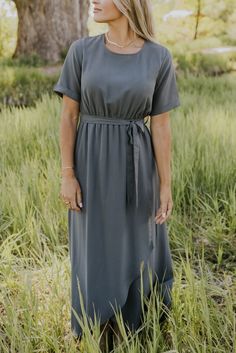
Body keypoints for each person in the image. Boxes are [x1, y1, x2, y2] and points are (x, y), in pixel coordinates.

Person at [53, 0, 181, 349]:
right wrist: (68, 174)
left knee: (140, 237)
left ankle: (135, 323)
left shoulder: (158, 57)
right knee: (93, 242)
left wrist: (166, 185)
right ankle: (95, 323)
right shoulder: (81, 51)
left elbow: (162, 126)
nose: (94, 1)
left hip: (138, 164)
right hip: (90, 163)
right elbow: (67, 118)